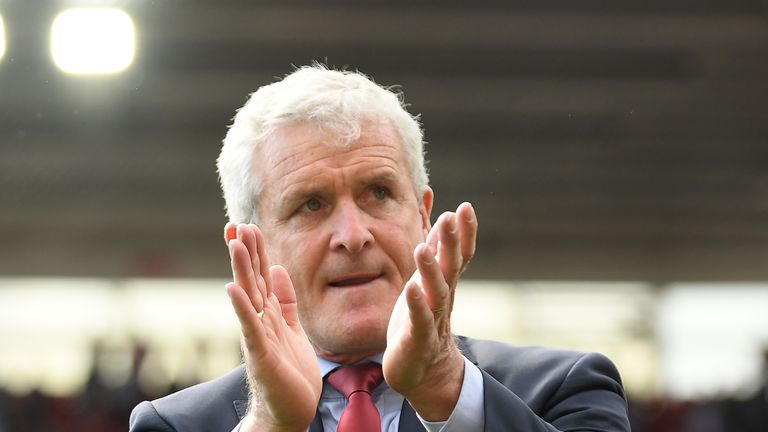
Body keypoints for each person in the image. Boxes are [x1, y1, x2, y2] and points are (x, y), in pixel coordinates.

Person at [129, 65, 630, 432]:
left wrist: (443, 387)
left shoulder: (567, 389)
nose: (353, 234)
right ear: (250, 249)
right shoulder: (171, 425)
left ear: (423, 215)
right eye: (311, 204)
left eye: (379, 193)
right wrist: (269, 426)